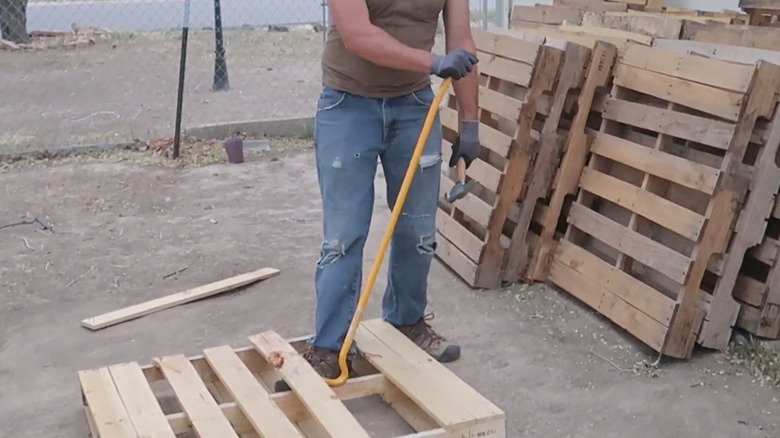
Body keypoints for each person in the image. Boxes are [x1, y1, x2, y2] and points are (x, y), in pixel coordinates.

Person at [298, 0, 480, 381]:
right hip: (347, 104)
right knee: (343, 237)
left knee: (418, 231)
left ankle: (406, 322)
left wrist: (470, 123)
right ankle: (329, 346)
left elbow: (461, 40)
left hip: (414, 105)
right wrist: (432, 62)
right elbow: (358, 36)